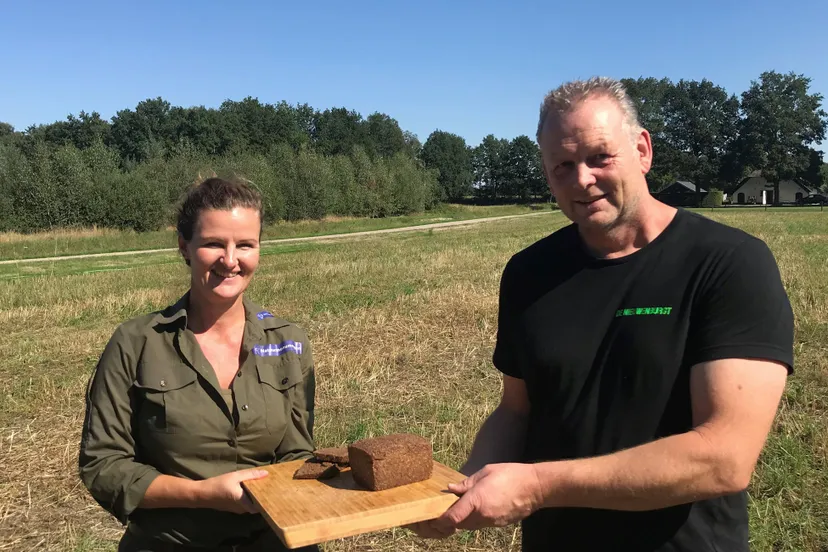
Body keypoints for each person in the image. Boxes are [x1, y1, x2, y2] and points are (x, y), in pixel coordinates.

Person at [409, 77, 794, 551]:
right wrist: (460, 489)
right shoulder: (530, 273)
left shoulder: (727, 264)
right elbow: (516, 410)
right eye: (562, 166)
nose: (582, 180)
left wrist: (536, 486)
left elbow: (724, 457)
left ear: (642, 150)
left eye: (599, 157)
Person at [79, 177, 319, 551]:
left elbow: (297, 455)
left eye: (245, 245)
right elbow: (103, 466)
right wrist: (202, 494)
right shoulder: (136, 343)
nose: (230, 260)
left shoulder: (289, 341)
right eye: (213, 244)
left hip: (277, 540)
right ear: (184, 247)